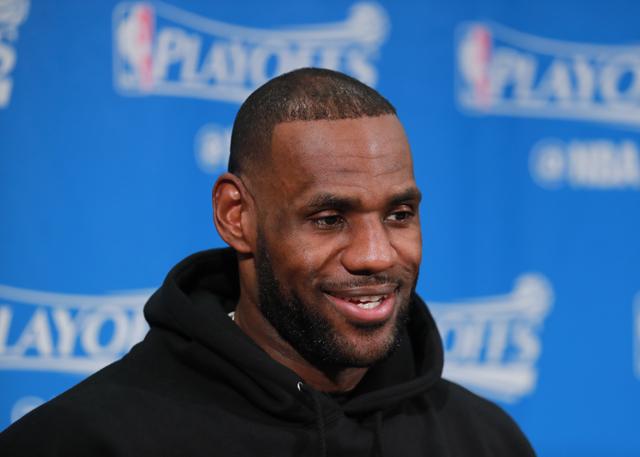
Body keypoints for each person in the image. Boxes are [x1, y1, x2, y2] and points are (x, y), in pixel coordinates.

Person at [0, 68, 536, 456]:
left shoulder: (486, 439)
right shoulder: (82, 440)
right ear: (237, 217)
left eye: (399, 214)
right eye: (328, 218)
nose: (375, 254)